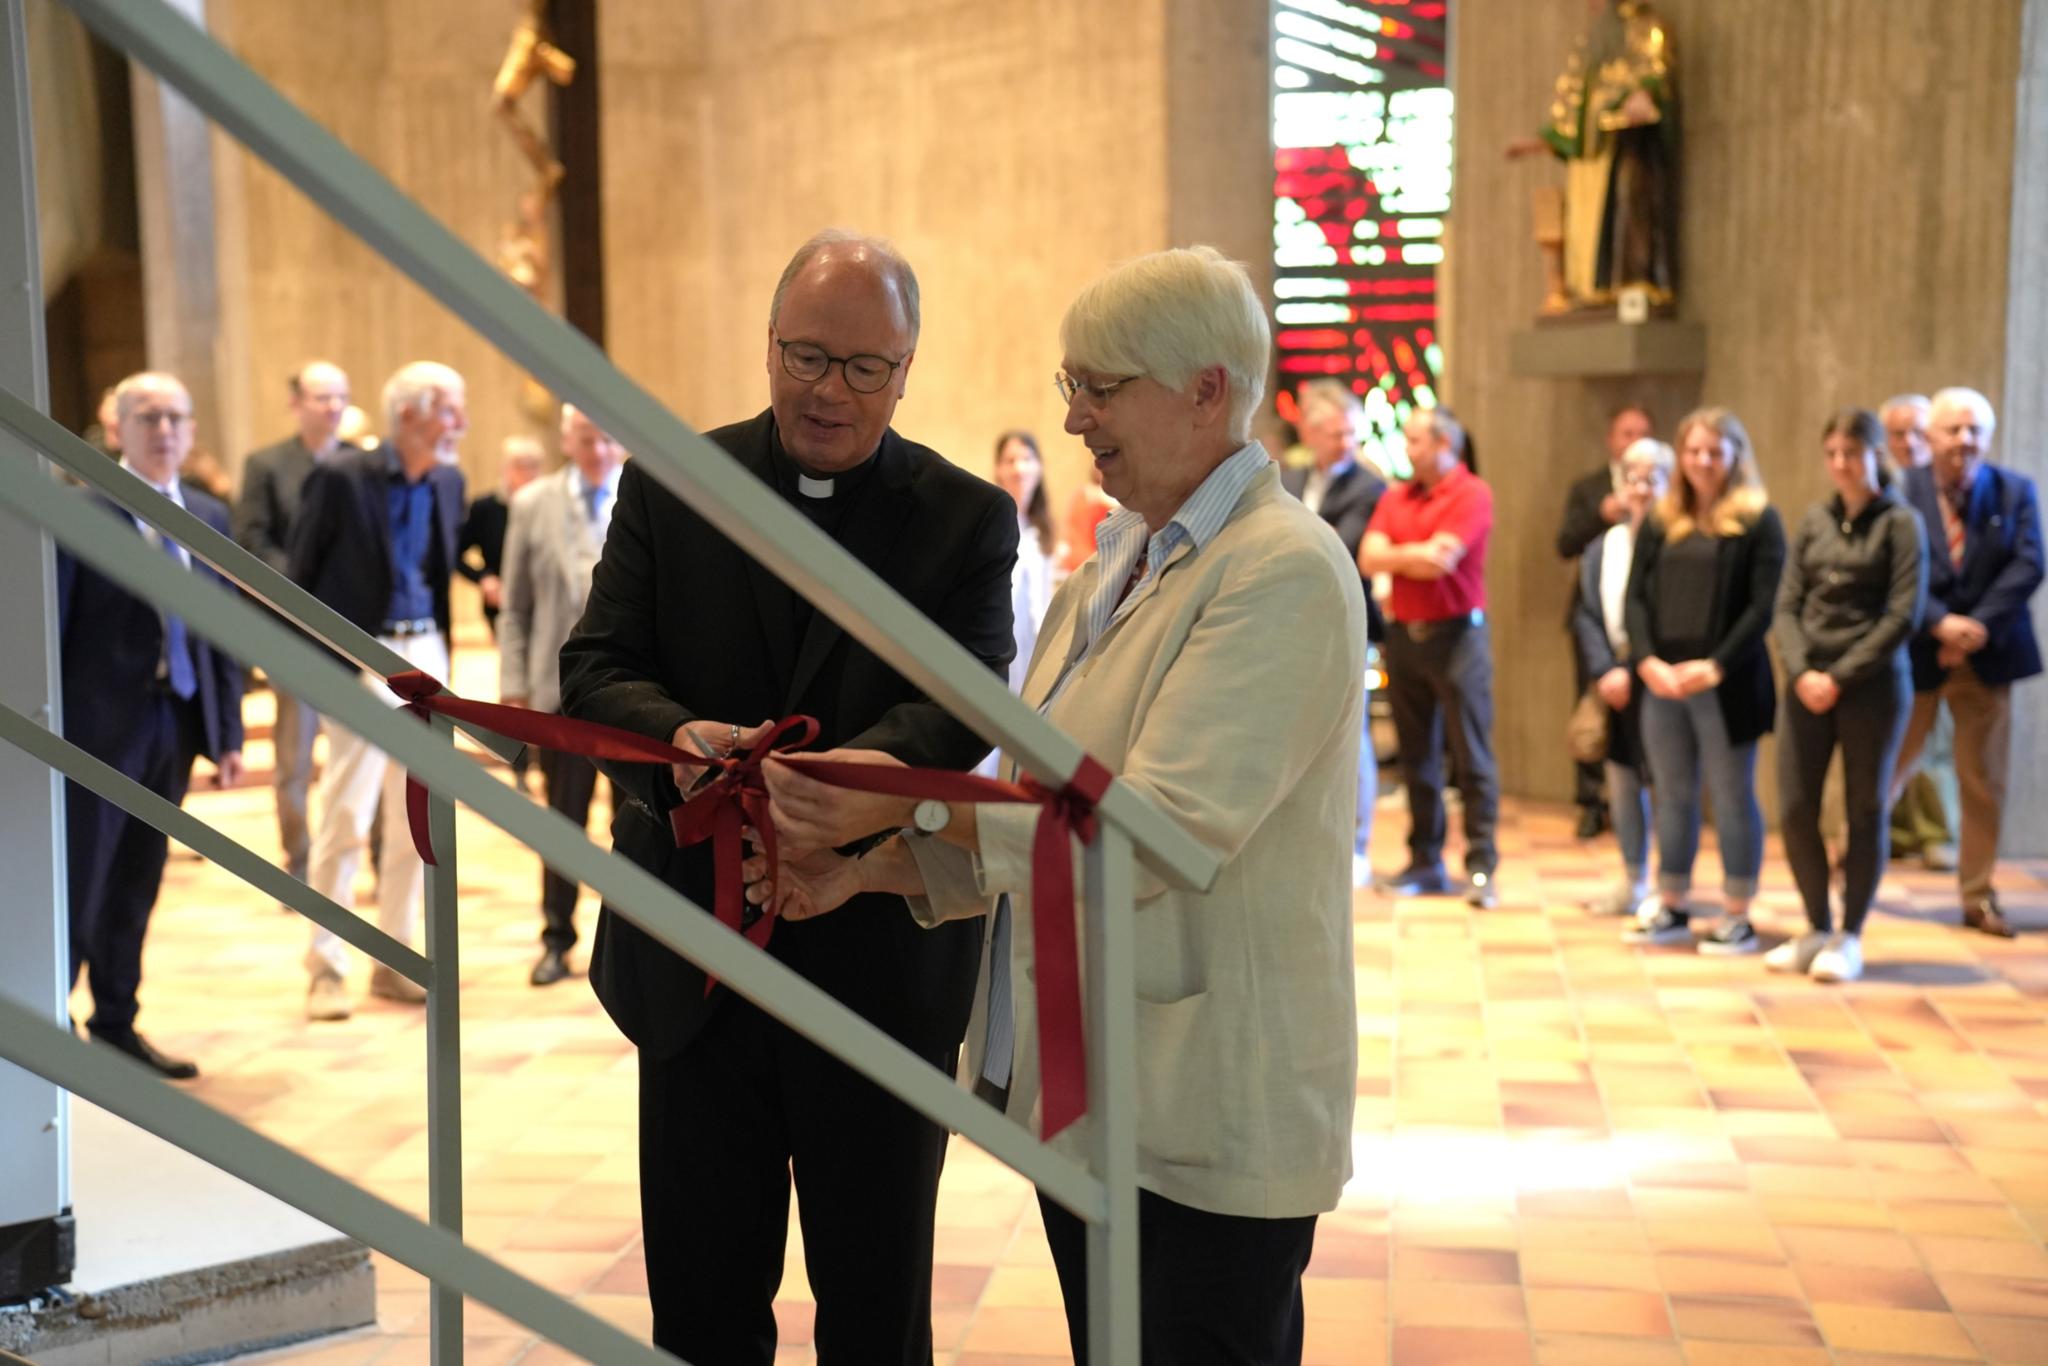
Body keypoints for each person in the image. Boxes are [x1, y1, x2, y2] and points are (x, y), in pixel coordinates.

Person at [757, 244, 1363, 1366]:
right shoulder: (1112, 566)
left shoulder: (1279, 570)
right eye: (1068, 386)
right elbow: (1036, 801)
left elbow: (1150, 829)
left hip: (1207, 1101)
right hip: (1101, 1093)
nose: (1076, 418)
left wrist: (879, 809)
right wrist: (871, 866)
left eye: (1101, 385)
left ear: (1206, 390)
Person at [557, 229, 1017, 1366]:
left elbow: (962, 699)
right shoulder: (676, 484)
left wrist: (829, 794)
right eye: (807, 356)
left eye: (865, 367)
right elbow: (596, 668)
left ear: (907, 372)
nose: (830, 391)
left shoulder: (964, 519)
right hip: (697, 955)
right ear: (768, 346)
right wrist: (678, 740)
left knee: (874, 1312)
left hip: (876, 966)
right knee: (703, 1307)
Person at [60, 372, 244, 1079]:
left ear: (192, 430)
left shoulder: (207, 514)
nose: (164, 430)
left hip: (175, 722)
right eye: (147, 417)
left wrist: (225, 731)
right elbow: (56, 626)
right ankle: (48, 1027)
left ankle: (114, 1022)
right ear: (118, 430)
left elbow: (220, 629)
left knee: (138, 878)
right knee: (82, 879)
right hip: (96, 729)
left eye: (176, 417)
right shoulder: (79, 508)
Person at [289, 361, 468, 1020]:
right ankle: (325, 964)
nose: (463, 425)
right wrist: (325, 672)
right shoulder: (341, 479)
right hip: (361, 657)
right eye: (451, 410)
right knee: (346, 814)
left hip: (427, 653)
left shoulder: (449, 481)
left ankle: (396, 958)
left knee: (414, 820)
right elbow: (299, 577)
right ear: (410, 416)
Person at [1768, 410, 1928, 982]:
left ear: (1876, 455)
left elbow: (1902, 615)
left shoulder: (1901, 524)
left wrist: (1839, 676)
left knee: (1865, 810)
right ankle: (1814, 926)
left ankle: (1850, 935)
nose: (1841, 464)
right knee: (1793, 807)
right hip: (1806, 684)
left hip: (1872, 688)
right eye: (1832, 452)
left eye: (1852, 453)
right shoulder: (1814, 520)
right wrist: (1802, 669)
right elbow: (1786, 605)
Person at [1622, 407, 1783, 954]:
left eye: (1715, 451)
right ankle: (1672, 902)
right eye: (1693, 451)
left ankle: (1738, 911)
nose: (1703, 462)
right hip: (1663, 680)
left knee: (1733, 796)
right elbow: (1636, 596)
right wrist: (1647, 662)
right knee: (1671, 795)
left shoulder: (1759, 518)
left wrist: (1714, 665)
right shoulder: (1663, 519)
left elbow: (1763, 607)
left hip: (1726, 681)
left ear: (1736, 455)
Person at [1888, 387, 2044, 938]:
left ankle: (1978, 894)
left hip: (1989, 653)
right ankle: (1852, 871)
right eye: (1953, 430)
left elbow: (2029, 564)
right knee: (1885, 768)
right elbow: (1893, 570)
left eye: (1975, 430)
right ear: (1929, 437)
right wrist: (1938, 623)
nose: (1964, 441)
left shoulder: (2014, 490)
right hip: (1917, 655)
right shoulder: (1901, 491)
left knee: (1984, 781)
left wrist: (1973, 629)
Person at [499, 403, 625, 987]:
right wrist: (515, 687)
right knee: (562, 824)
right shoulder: (532, 505)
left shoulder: (646, 497)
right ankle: (557, 938)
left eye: (607, 440)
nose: (597, 451)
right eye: (586, 438)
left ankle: (635, 942)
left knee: (638, 827)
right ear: (567, 440)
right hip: (557, 696)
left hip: (631, 697)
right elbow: (516, 607)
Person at [1361, 405, 1500, 908]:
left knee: (1471, 756)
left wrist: (1403, 554)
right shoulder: (1397, 495)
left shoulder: (1472, 493)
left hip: (1458, 638)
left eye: (1417, 441)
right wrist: (1412, 556)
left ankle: (1482, 866)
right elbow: (1368, 556)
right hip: (1403, 639)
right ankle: (1425, 861)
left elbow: (1444, 560)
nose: (1408, 449)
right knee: (1417, 757)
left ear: (1445, 445)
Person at [233, 360, 357, 891]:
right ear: (296, 403)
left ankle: (357, 857)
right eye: (321, 398)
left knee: (361, 757)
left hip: (354, 640)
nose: (331, 408)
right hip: (291, 634)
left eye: (339, 398)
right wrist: (306, 589)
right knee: (294, 761)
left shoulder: (362, 463)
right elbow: (253, 542)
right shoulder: (266, 465)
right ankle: (301, 864)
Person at [1283, 379, 1387, 874]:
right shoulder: (1289, 479)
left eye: (1352, 433)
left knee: (1352, 731)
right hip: (1288, 622)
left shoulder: (1369, 487)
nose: (1346, 443)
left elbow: (1336, 548)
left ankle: (1358, 845)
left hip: (1344, 621)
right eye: (1336, 433)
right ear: (1310, 432)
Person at [1570, 436, 1672, 915]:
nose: (1641, 488)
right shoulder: (1601, 548)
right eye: (1632, 477)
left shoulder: (1679, 544)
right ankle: (1633, 879)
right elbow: (1586, 614)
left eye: (1653, 478)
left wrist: (1636, 668)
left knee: (1669, 786)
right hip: (1614, 683)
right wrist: (1605, 670)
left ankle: (1668, 886)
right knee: (1623, 784)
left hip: (1660, 682)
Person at [1557, 403, 1656, 838]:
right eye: (1625, 431)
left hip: (1646, 637)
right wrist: (1601, 513)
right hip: (1593, 618)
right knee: (1591, 710)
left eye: (1642, 432)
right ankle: (1591, 802)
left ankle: (1637, 808)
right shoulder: (1589, 488)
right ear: (1610, 440)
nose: (1633, 439)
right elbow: (1564, 543)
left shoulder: (1666, 500)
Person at [1879, 392, 1960, 870]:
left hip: (1947, 639)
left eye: (1917, 432)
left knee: (1939, 743)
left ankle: (1936, 831)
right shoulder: (1885, 489)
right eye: (1897, 433)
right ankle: (1890, 830)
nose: (1908, 442)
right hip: (1896, 637)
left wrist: (1946, 627)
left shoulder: (1955, 489)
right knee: (1893, 739)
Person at [457, 435, 543, 639]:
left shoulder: (550, 506)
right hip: (501, 605)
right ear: (505, 469)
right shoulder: (486, 508)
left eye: (533, 466)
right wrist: (484, 578)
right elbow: (455, 554)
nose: (528, 473)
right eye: (521, 466)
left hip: (544, 603)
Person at [1056, 459, 1118, 575]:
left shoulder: (1120, 500)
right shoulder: (1083, 495)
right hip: (1083, 558)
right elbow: (1071, 533)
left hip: (1106, 560)